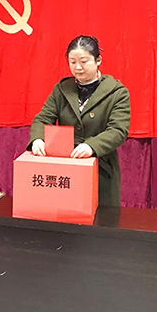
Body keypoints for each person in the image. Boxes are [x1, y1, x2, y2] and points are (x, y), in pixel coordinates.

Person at [27, 35, 130, 207]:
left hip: (101, 169)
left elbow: (118, 130)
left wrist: (92, 146)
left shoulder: (117, 93)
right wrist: (38, 139)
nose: (78, 67)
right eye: (72, 62)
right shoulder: (62, 89)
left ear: (98, 60)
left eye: (84, 61)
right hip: (66, 169)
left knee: (100, 219)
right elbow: (43, 118)